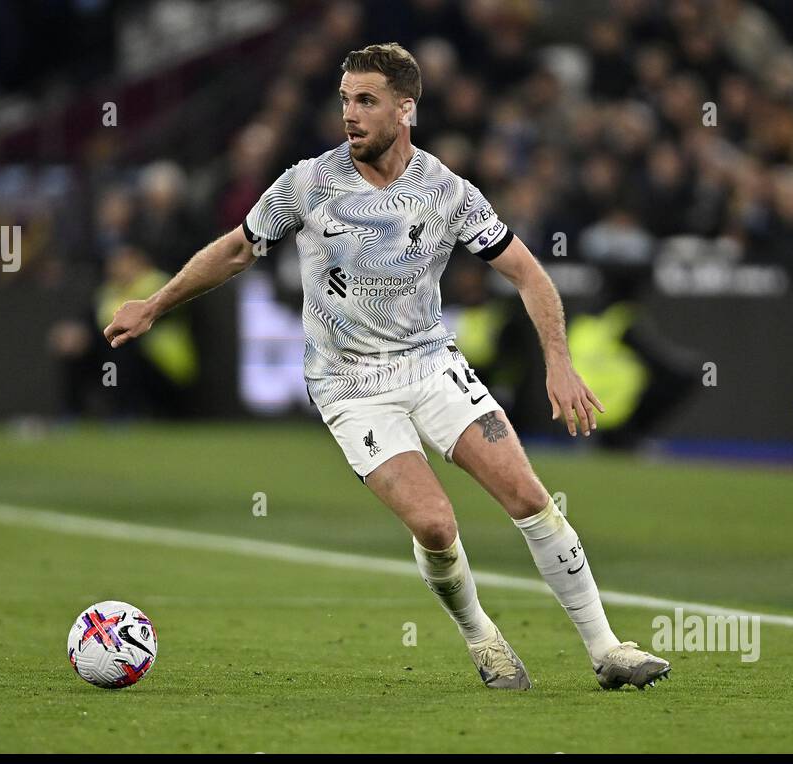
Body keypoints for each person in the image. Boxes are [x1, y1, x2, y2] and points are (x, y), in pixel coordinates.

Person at [104, 43, 671, 690]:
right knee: (435, 523)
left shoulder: (447, 191)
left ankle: (607, 649)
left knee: (528, 496)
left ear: (406, 109)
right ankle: (483, 636)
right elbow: (237, 250)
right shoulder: (308, 183)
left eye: (366, 100)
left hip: (431, 366)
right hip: (350, 388)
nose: (350, 113)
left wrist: (559, 362)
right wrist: (155, 302)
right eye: (345, 99)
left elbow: (527, 272)